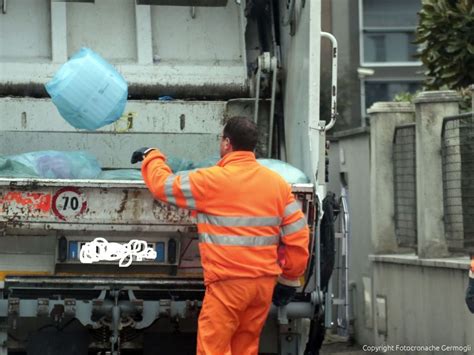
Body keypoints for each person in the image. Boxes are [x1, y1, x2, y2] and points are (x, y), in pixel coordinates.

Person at [131, 116, 309, 355]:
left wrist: (152, 156)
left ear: (227, 143)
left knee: (213, 349)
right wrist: (289, 279)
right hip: (262, 286)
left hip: (228, 284)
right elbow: (298, 235)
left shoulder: (210, 180)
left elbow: (163, 185)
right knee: (245, 347)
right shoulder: (277, 184)